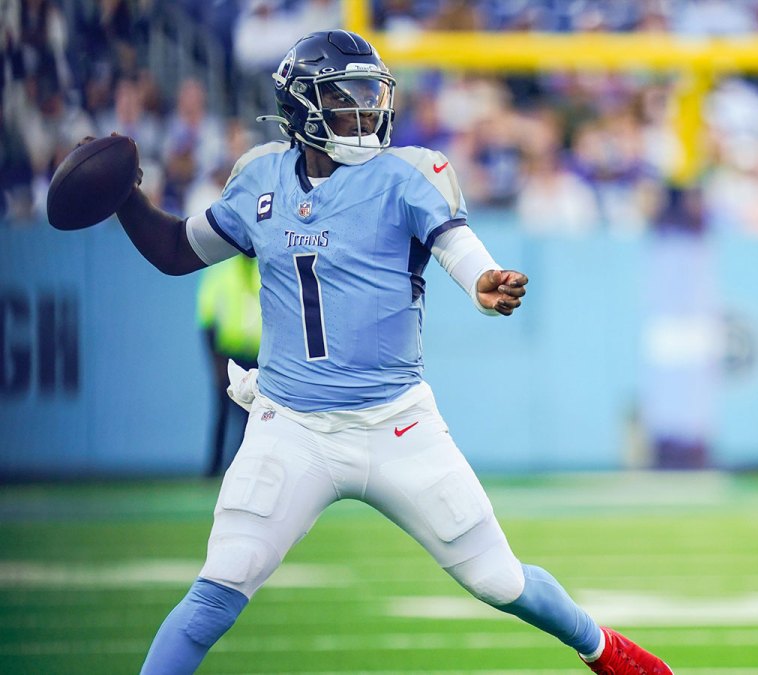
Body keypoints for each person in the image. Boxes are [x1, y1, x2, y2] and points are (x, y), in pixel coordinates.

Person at [72, 30, 670, 675]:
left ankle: (608, 651)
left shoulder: (409, 173)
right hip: (291, 425)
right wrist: (126, 199)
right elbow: (175, 251)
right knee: (220, 585)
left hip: (397, 423)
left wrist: (483, 283)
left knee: (499, 580)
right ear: (302, 107)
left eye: (369, 94)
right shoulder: (259, 178)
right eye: (343, 96)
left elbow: (459, 249)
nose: (364, 110)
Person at [195, 255, 261, 477]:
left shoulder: (264, 268)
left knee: (254, 416)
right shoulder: (222, 271)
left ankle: (243, 467)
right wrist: (215, 360)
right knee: (222, 411)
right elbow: (206, 315)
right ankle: (213, 469)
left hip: (259, 355)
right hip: (229, 354)